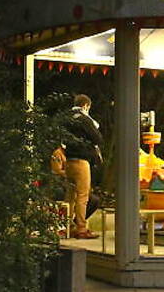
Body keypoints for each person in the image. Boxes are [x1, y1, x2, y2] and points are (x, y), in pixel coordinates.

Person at [63, 94, 103, 239]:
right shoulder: (85, 119)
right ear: (86, 105)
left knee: (70, 196)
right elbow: (97, 138)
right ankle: (81, 228)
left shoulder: (66, 118)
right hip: (81, 161)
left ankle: (67, 226)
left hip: (68, 161)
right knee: (83, 195)